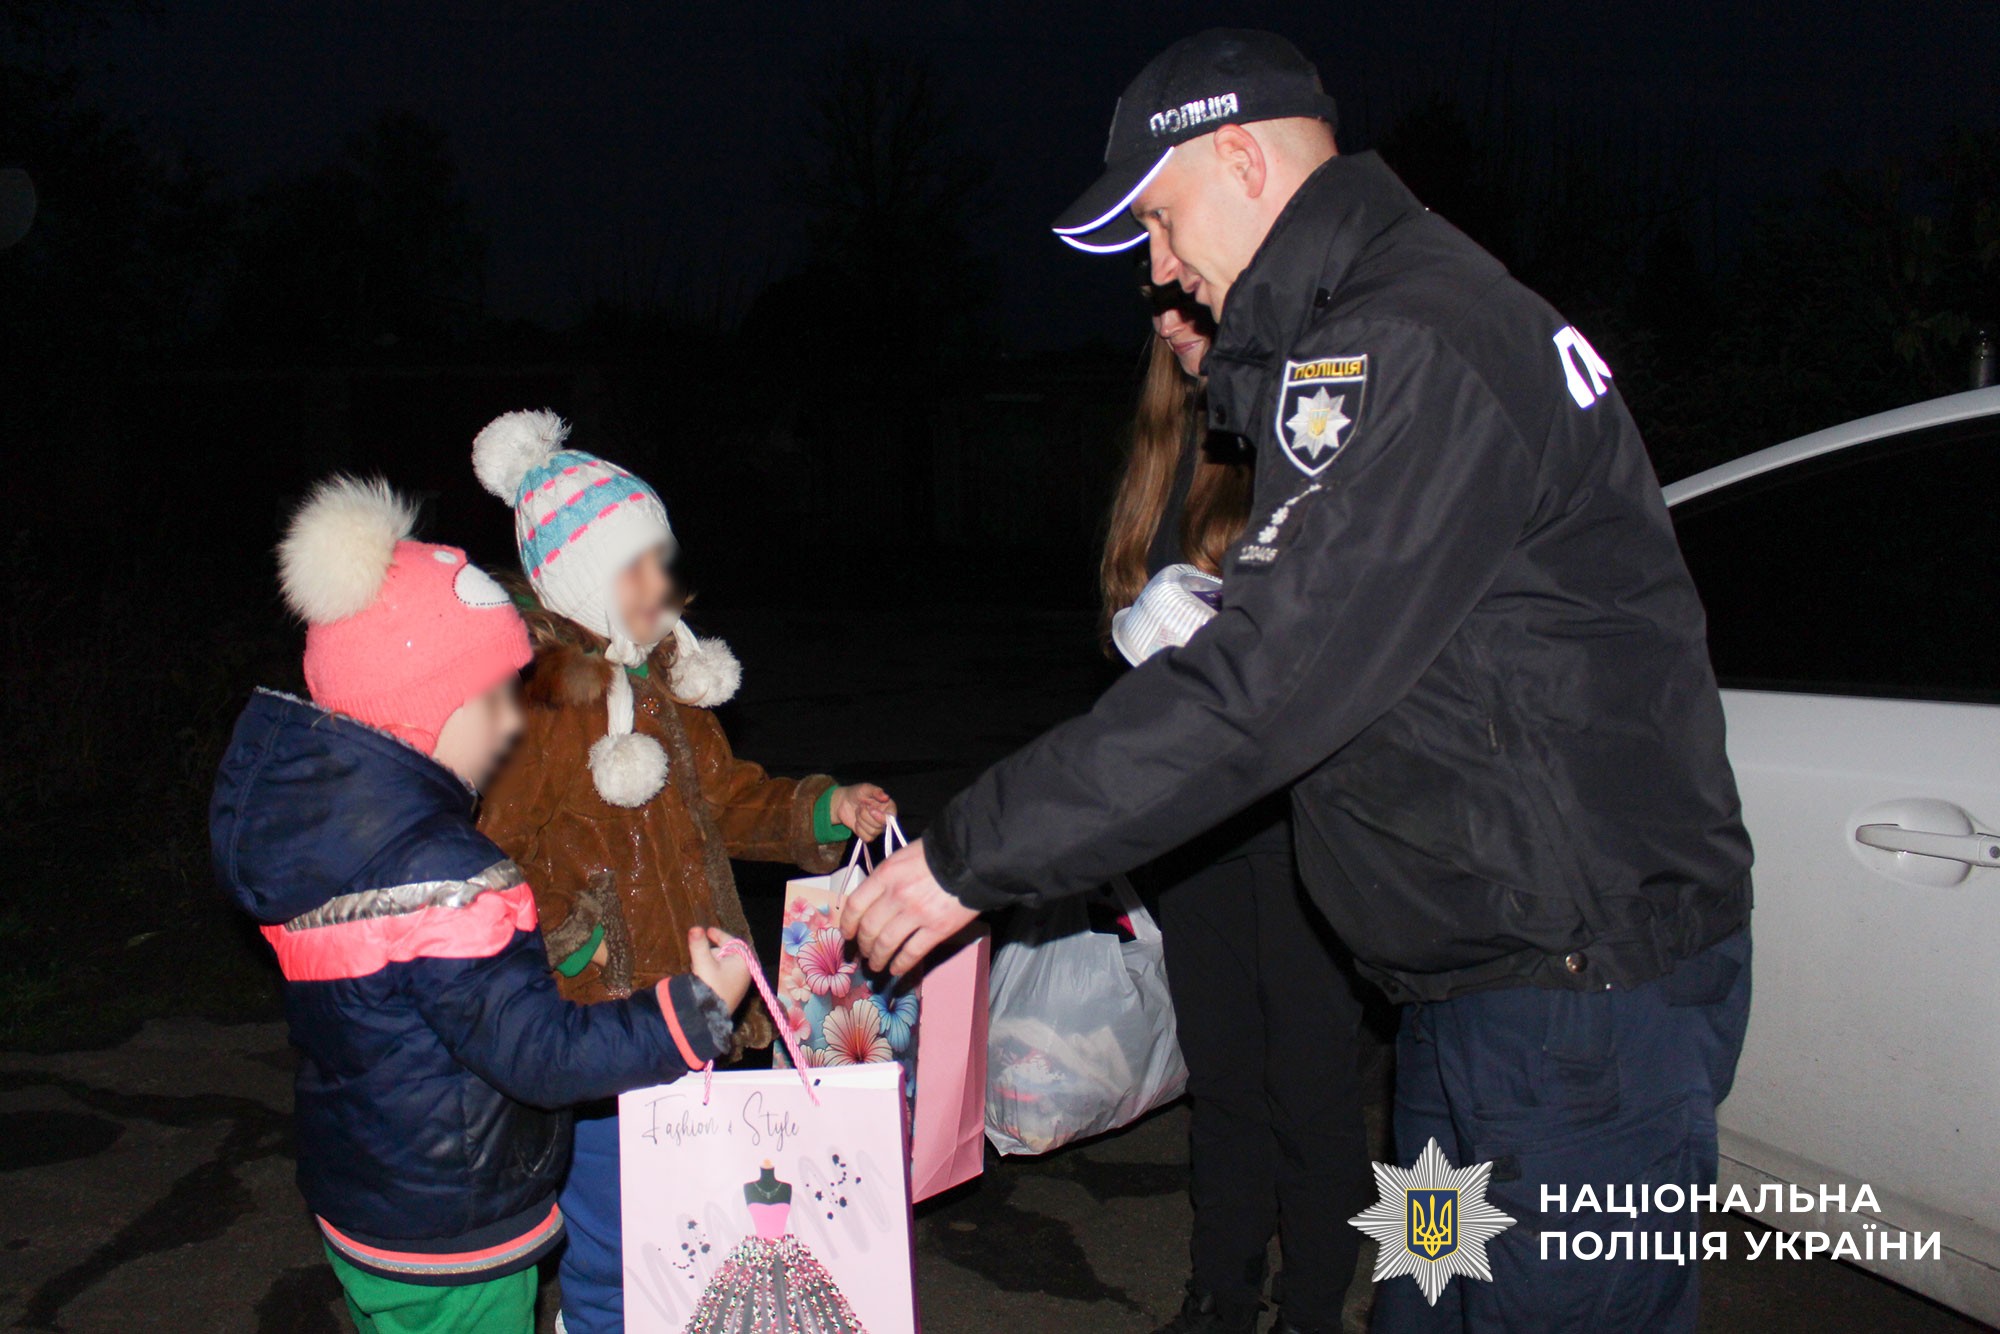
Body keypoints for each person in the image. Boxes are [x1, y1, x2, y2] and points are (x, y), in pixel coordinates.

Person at [843, 29, 1752, 1334]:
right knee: (1429, 1302)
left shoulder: (1408, 339)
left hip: (1574, 1005)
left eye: (1160, 221)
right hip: (1464, 989)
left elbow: (1262, 682)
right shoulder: (1390, 318)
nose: (1162, 268)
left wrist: (968, 857)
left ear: (1242, 158)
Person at [212, 476, 755, 1334]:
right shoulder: (447, 874)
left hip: (361, 1203)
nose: (512, 723)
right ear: (431, 703)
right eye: (498, 697)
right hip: (452, 1231)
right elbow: (537, 1052)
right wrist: (690, 1016)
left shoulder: (322, 838)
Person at [469, 409, 895, 1334]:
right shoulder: (538, 709)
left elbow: (730, 801)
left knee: (688, 1229)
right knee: (613, 1242)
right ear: (581, 579)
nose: (665, 585)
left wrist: (820, 809)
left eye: (664, 561)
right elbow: (489, 860)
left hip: (702, 1003)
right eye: (638, 569)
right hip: (602, 1022)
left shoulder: (668, 689)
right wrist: (571, 941)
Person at [1110, 278, 1369, 1334]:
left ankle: (1311, 1299)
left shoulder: (1295, 437)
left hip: (1302, 822)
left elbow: (1336, 631)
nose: (1171, 318)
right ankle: (1219, 1287)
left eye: (1192, 300)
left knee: (1308, 1086)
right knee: (1219, 1075)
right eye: (1155, 303)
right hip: (1195, 826)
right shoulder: (1158, 460)